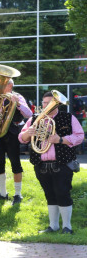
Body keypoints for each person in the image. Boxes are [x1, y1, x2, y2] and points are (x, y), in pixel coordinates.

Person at [19, 92, 85, 234]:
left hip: (62, 163)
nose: (46, 106)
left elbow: (79, 136)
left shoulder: (68, 117)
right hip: (41, 165)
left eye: (50, 102)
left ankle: (67, 227)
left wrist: (60, 139)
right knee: (50, 195)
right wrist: (28, 133)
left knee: (63, 193)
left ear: (57, 104)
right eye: (44, 103)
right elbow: (21, 138)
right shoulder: (35, 118)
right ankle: (53, 226)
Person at [0, 80, 32, 204]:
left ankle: (18, 194)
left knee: (15, 162)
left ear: (10, 86)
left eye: (3, 84)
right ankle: (3, 193)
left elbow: (29, 114)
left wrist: (18, 103)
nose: (0, 86)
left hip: (12, 133)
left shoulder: (18, 96)